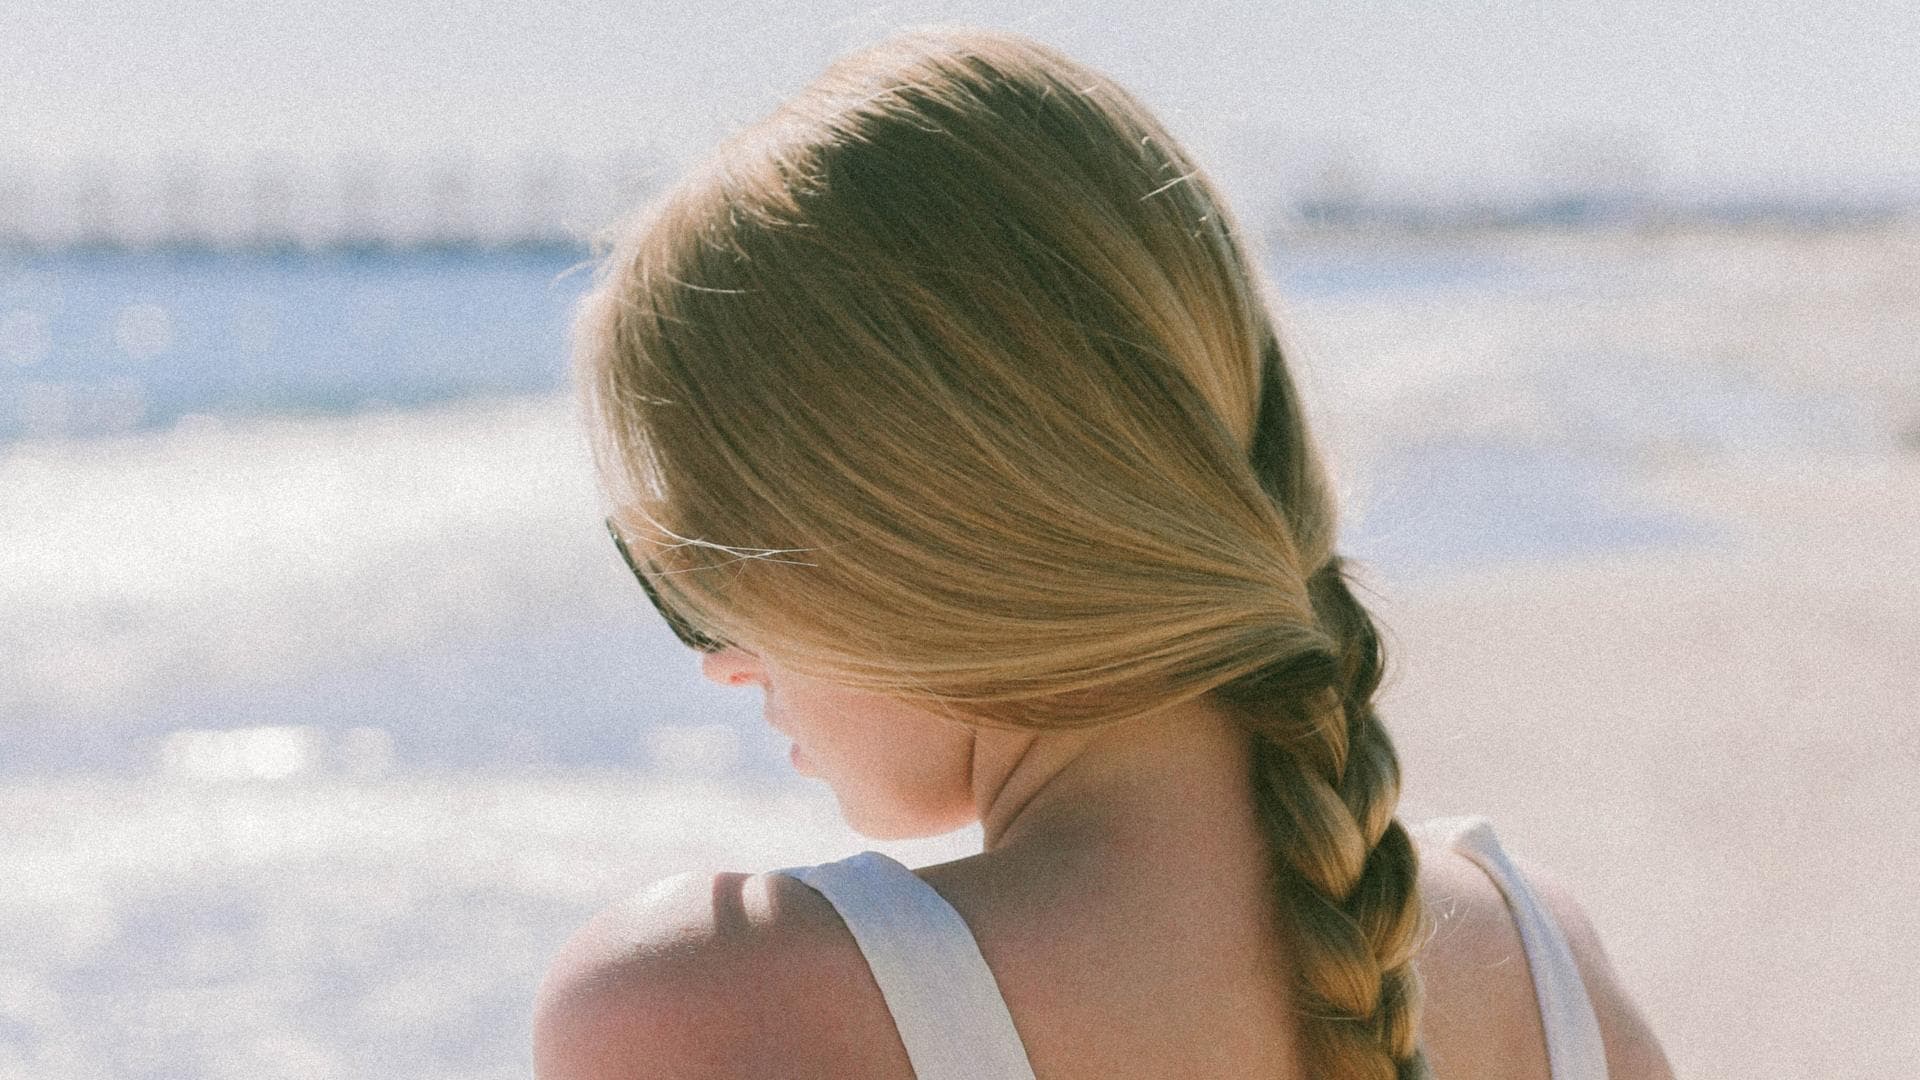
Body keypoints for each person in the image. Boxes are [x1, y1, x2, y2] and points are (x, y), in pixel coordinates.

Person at [537, 26, 1674, 1080]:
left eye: (703, 567)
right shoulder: (1543, 961)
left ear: (897, 536)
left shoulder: (708, 1010)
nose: (722, 661)